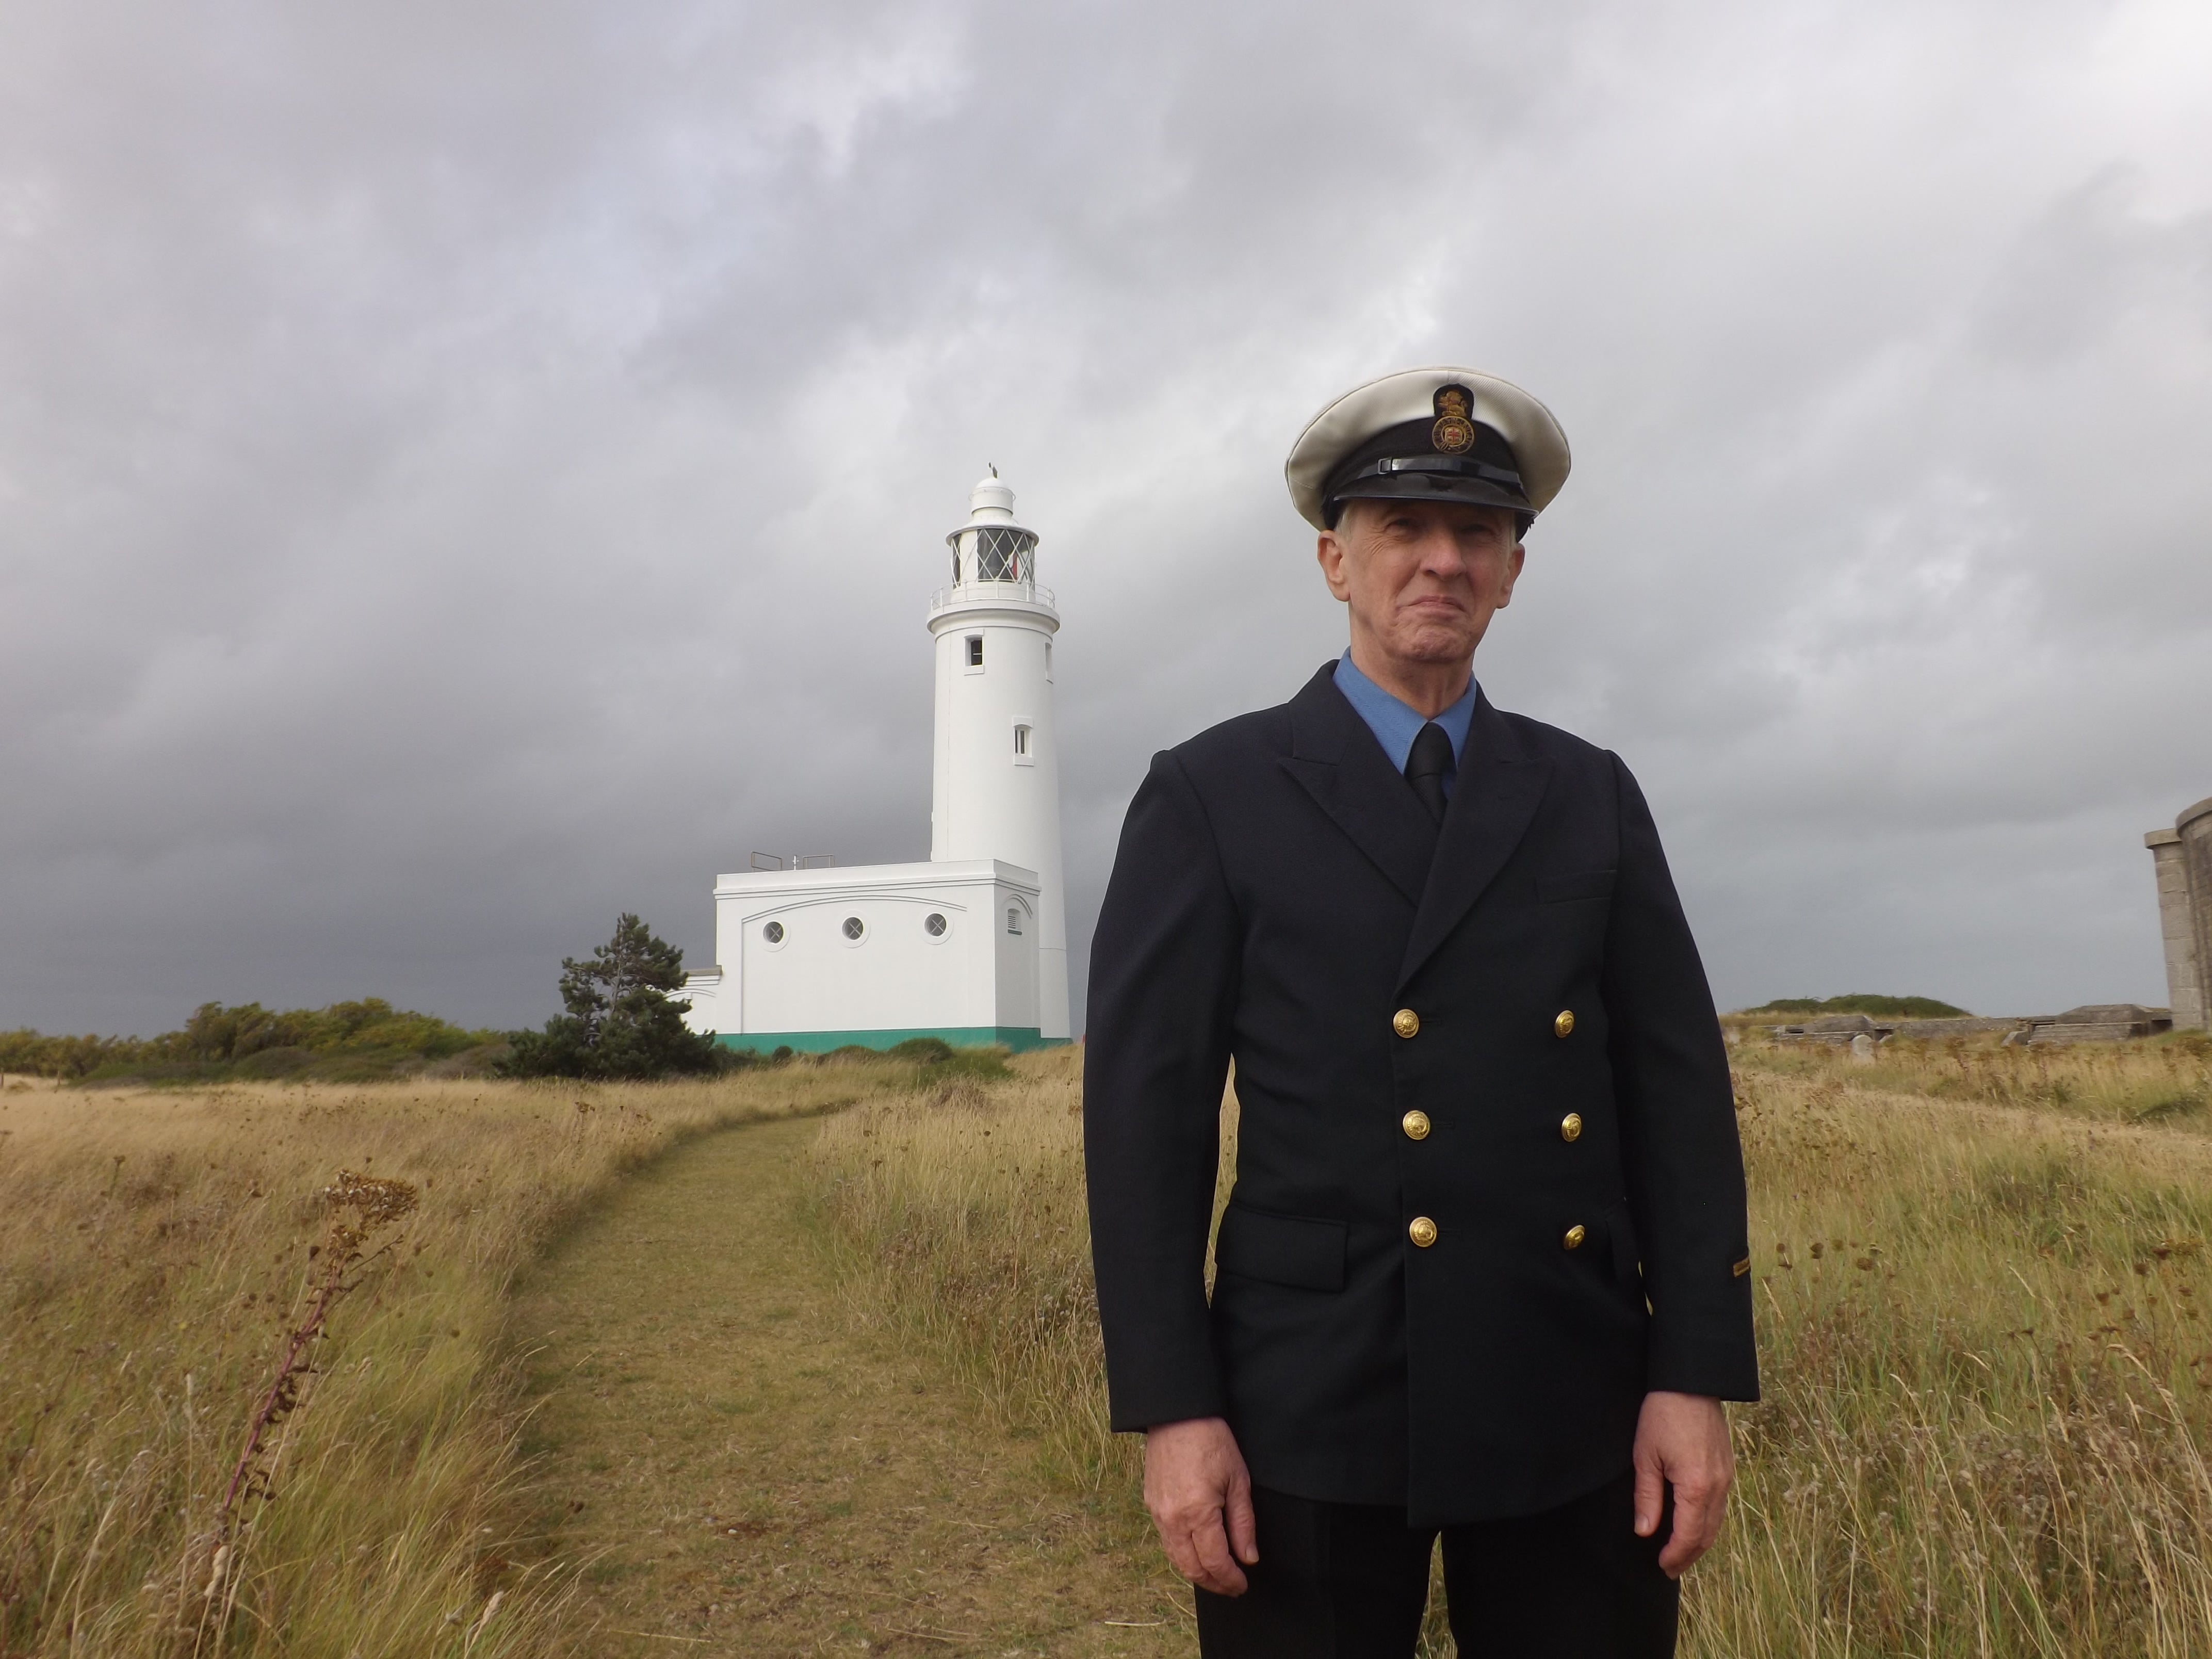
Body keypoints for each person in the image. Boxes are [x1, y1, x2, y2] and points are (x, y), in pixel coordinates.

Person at [1083, 367, 1758, 1657]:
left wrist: (1693, 1375)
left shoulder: (1587, 793)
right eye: (1404, 529)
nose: (1441, 561)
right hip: (1306, 1401)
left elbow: (1676, 1103)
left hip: (1569, 1389)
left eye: (1477, 535)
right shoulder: (1212, 793)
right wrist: (1174, 1412)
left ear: (1512, 570)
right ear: (1335, 561)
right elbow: (1144, 1128)